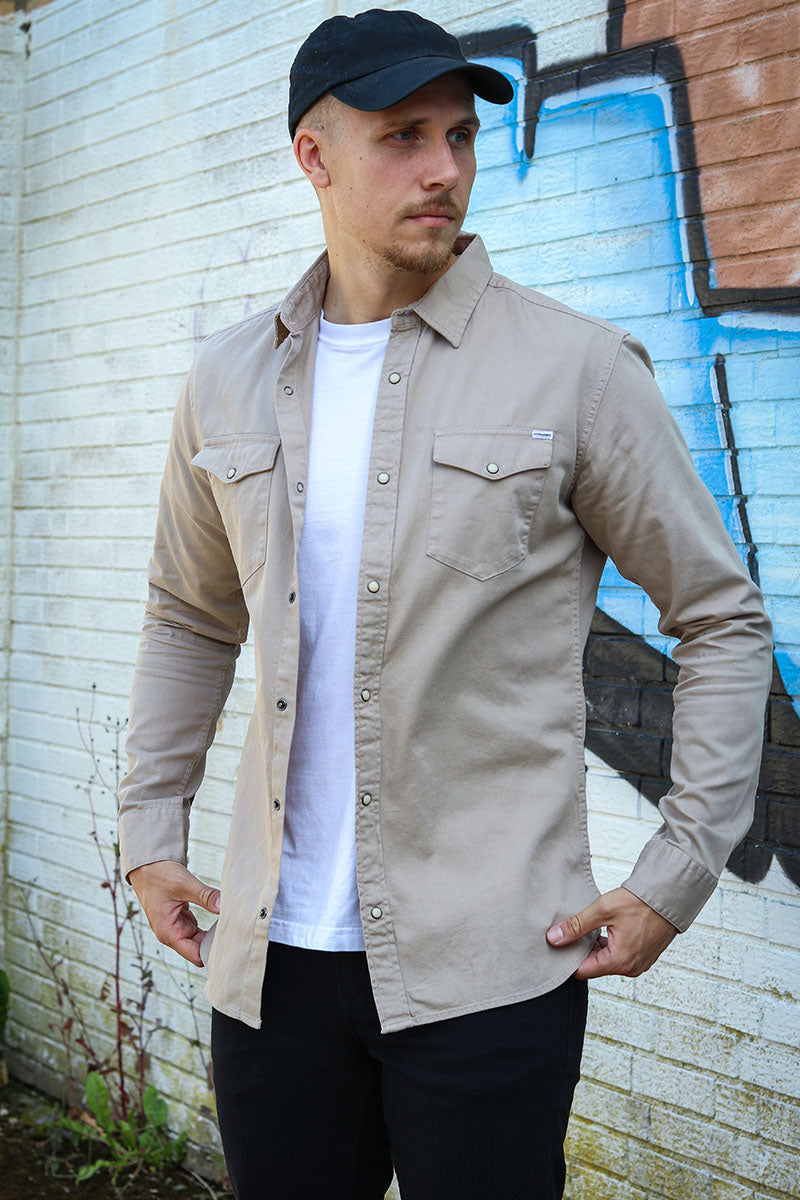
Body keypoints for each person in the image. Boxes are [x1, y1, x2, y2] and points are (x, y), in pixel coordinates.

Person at [118, 9, 773, 1199]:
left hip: (490, 968)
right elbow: (188, 616)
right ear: (313, 157)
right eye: (402, 137)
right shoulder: (226, 381)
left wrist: (674, 871)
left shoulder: (573, 370)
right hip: (270, 970)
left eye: (460, 136)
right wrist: (149, 835)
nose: (444, 169)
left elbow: (719, 618)